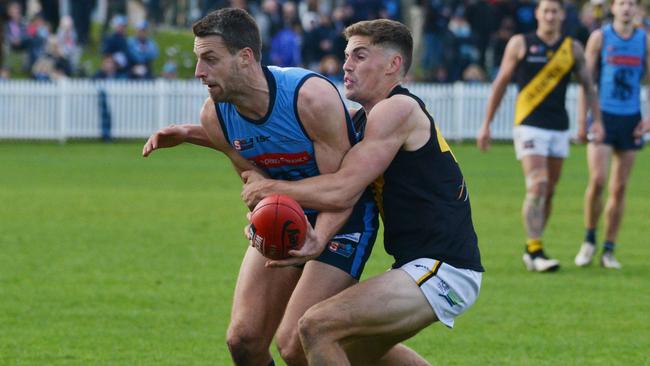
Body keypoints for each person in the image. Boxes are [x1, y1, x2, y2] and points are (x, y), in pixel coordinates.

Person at [141, 8, 422, 366]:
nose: (199, 72)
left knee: (299, 342)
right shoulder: (214, 115)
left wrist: (316, 237)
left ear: (245, 58)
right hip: (288, 213)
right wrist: (260, 211)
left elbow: (342, 192)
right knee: (243, 341)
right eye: (199, 60)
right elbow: (254, 180)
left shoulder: (309, 97)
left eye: (209, 59)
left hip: (343, 217)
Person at [241, 19, 483, 364]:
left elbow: (342, 189)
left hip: (443, 267)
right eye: (346, 55)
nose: (346, 65)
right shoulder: (363, 120)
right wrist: (196, 133)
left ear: (393, 65)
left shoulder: (397, 109)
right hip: (419, 264)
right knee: (318, 348)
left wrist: (271, 190)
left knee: (315, 327)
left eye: (359, 56)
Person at [476, 0, 604, 272]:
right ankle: (536, 251)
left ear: (561, 15)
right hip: (529, 124)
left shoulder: (572, 48)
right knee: (538, 184)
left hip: (559, 127)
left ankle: (532, 246)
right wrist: (486, 123)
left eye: (554, 11)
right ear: (537, 14)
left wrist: (594, 122)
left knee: (549, 191)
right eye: (545, 10)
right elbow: (500, 83)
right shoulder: (521, 43)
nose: (549, 16)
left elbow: (589, 87)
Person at [574, 0, 650, 269]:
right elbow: (586, 80)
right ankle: (589, 239)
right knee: (598, 181)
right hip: (602, 117)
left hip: (630, 120)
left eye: (632, 3)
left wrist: (648, 119)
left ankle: (609, 249)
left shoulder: (644, 40)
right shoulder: (600, 37)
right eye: (622, 3)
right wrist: (584, 120)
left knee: (619, 187)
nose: (627, 8)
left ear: (637, 9)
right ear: (613, 8)